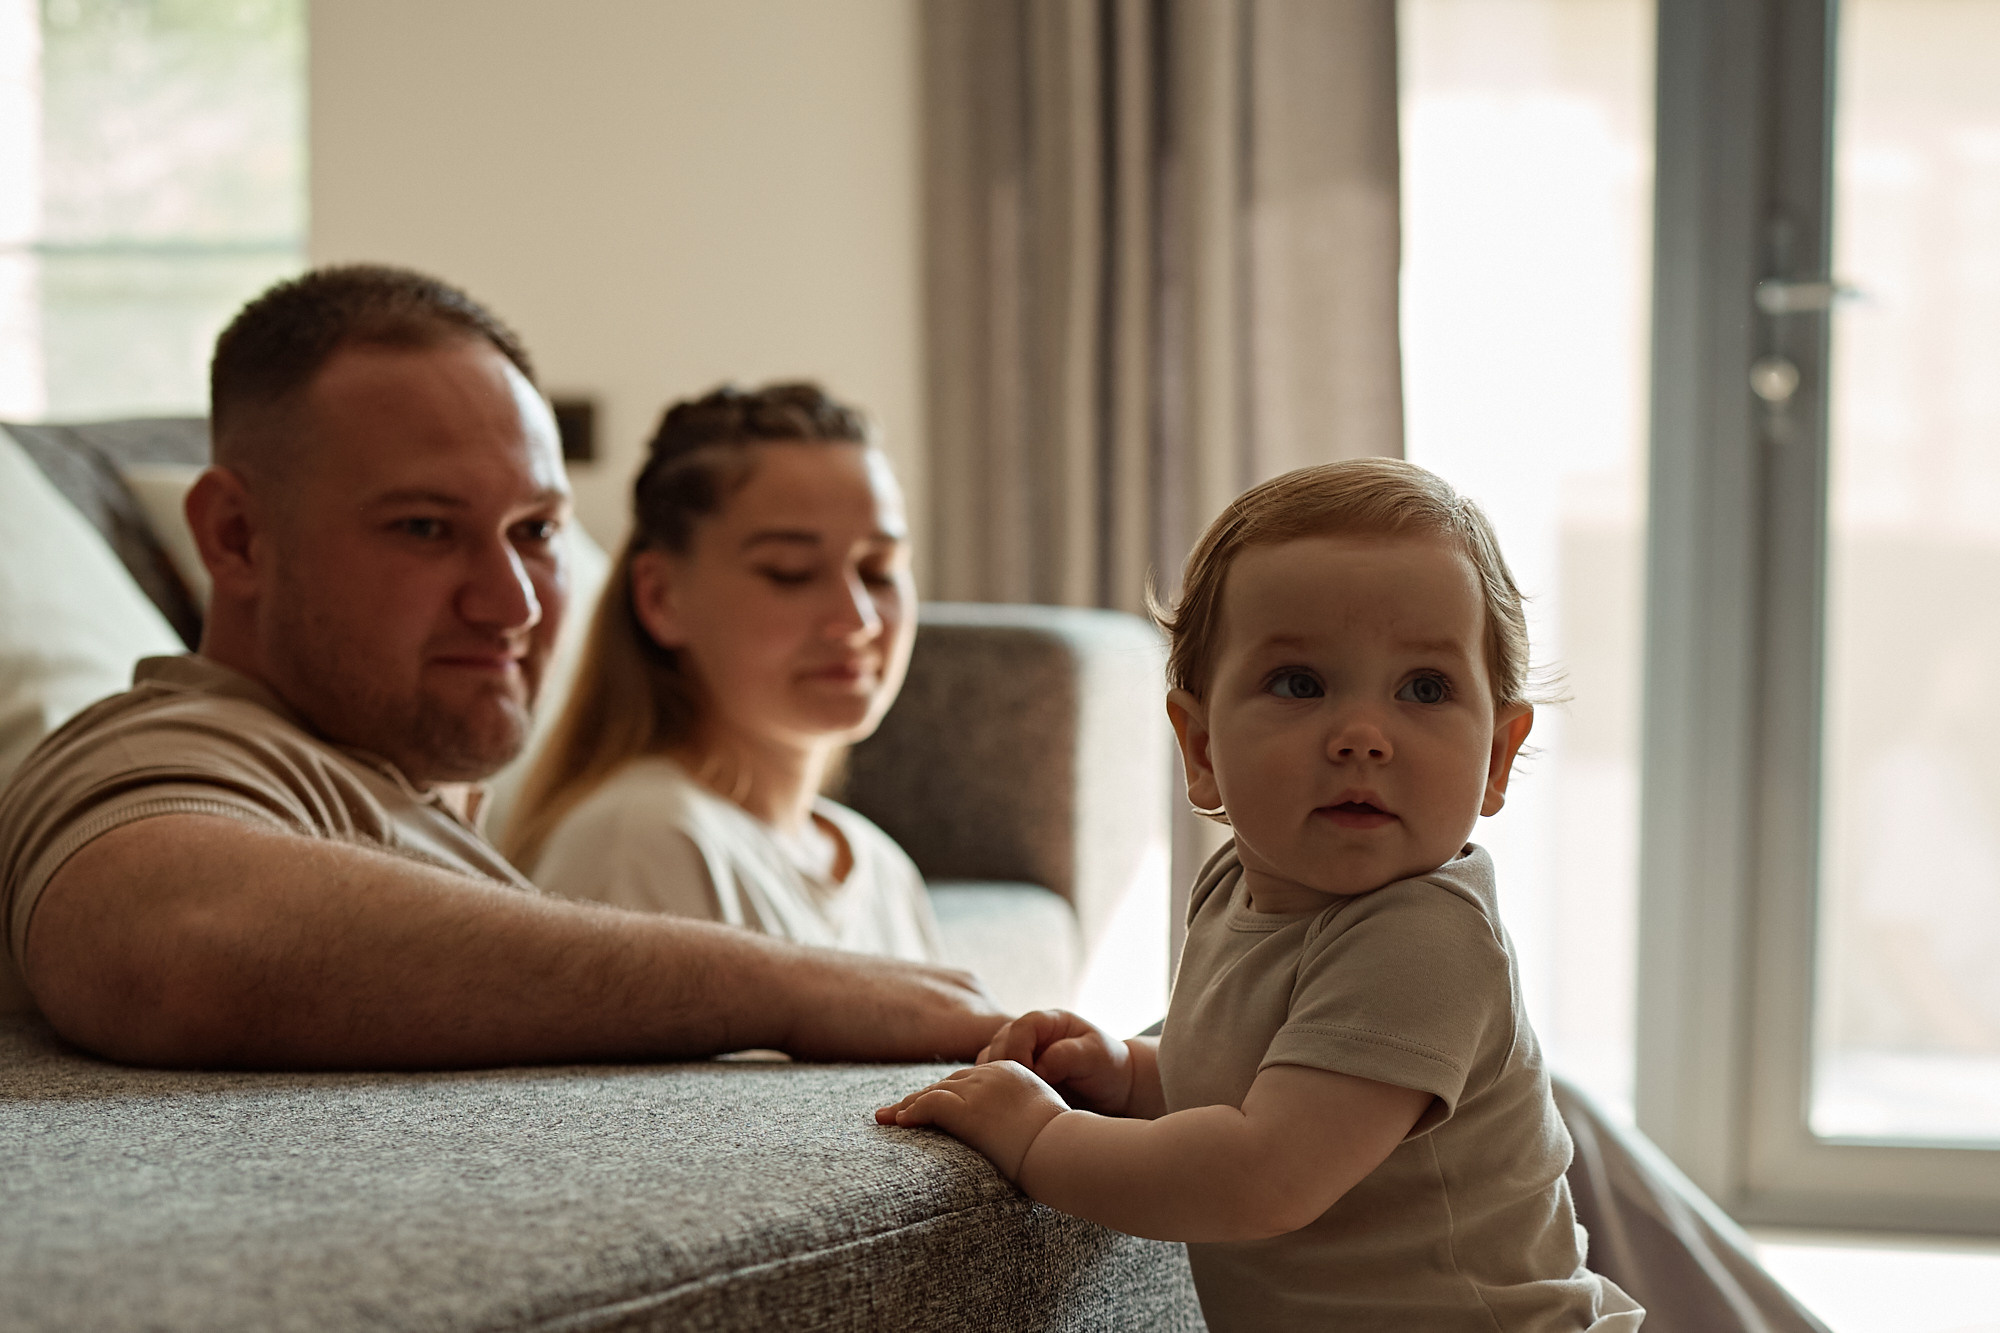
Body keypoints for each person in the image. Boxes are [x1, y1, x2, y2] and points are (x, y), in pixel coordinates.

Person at [0, 264, 1002, 1070]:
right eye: (427, 528)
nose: (516, 604)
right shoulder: (170, 751)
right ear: (236, 535)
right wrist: (801, 989)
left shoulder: (411, 795)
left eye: (535, 532)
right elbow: (180, 940)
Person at [877, 460, 1644, 1331]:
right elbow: (1253, 1086)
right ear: (1200, 747)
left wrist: (1040, 1137)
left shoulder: (1427, 936)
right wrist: (1125, 1070)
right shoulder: (1235, 884)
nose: (1363, 735)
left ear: (1498, 758)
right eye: (1301, 683)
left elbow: (1262, 1172)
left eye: (1424, 689)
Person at [502, 384, 941, 965]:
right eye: (791, 572)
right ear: (661, 597)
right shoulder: (642, 840)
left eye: (879, 571)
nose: (856, 619)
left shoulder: (879, 865)